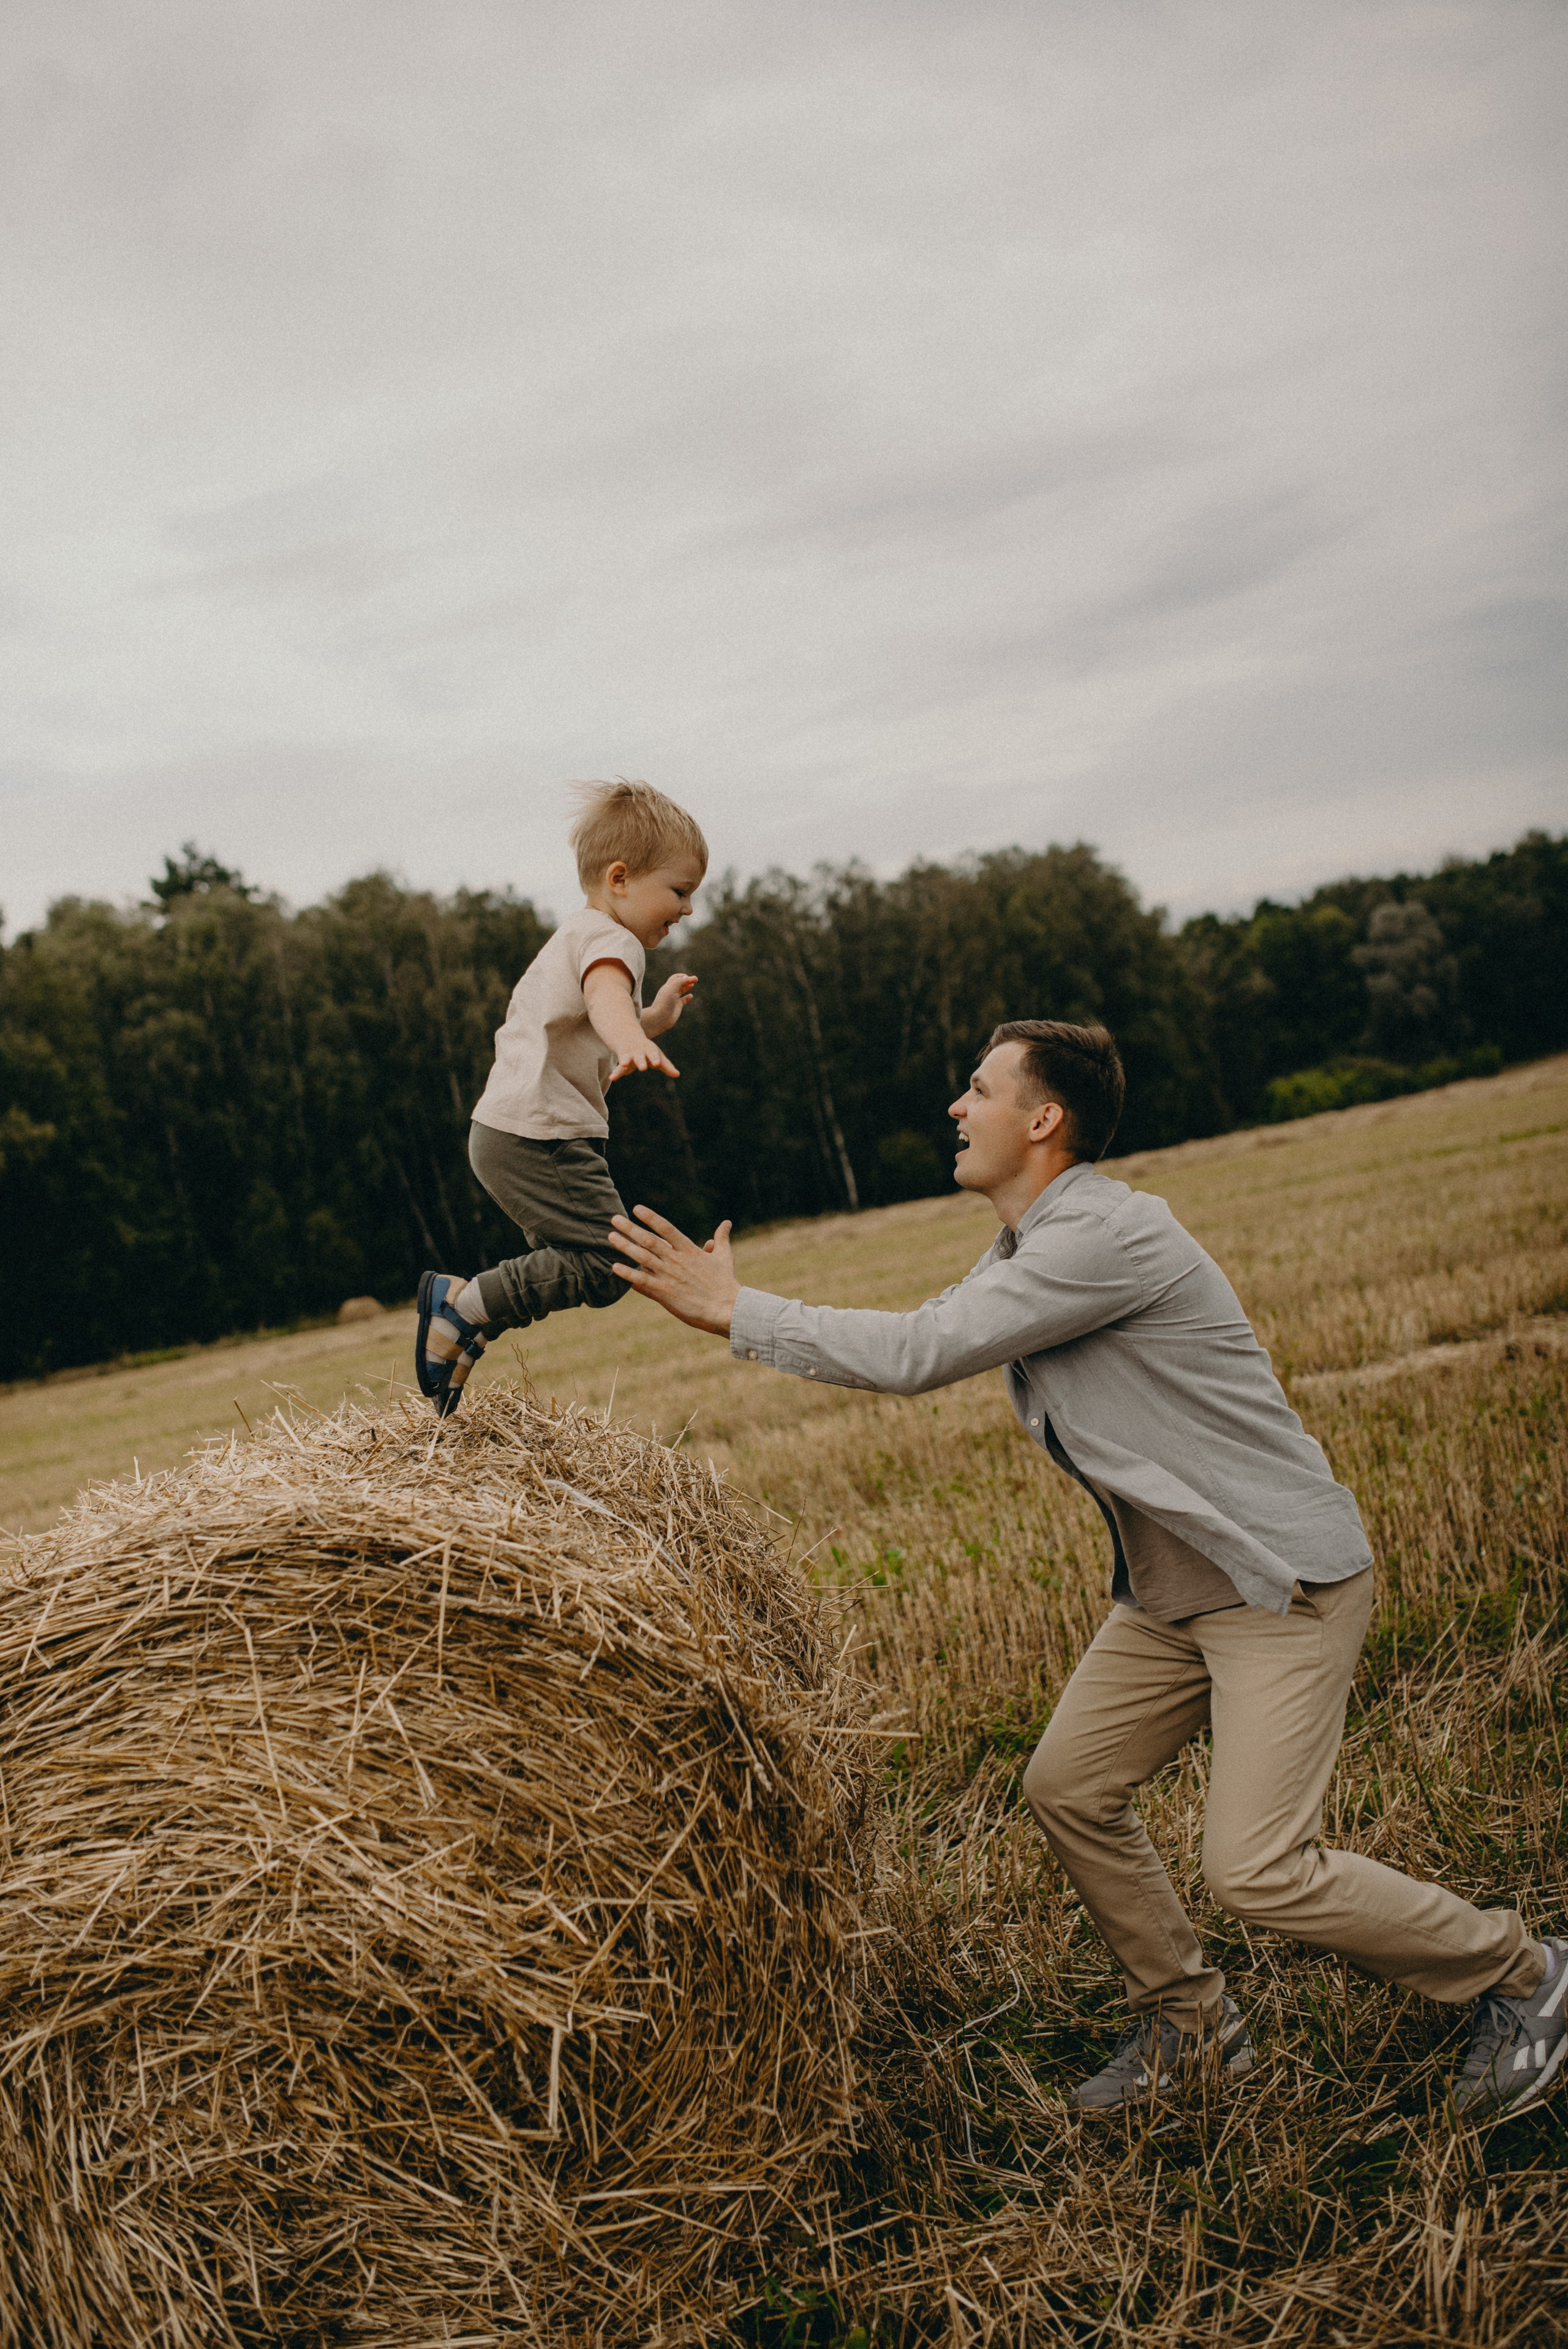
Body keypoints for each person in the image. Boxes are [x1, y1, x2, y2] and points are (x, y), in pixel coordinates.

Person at [607, 1018, 1565, 2121]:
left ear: (1044, 1119)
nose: (957, 1109)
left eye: (978, 1089)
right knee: (1067, 1786)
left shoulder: (1106, 1237)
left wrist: (735, 1309)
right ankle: (1192, 2025)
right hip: (1173, 1596)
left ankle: (1527, 1975)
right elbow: (937, 1324)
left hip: (1275, 1586)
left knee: (1257, 1870)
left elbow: (920, 1354)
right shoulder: (1031, 1242)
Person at [414, 779, 707, 1417]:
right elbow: (605, 1006)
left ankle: (468, 1329)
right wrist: (633, 1035)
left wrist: (649, 1019)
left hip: (509, 1132)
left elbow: (597, 1014)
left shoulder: (580, 935)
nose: (687, 909)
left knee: (586, 1259)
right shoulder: (614, 941)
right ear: (621, 878)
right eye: (680, 891)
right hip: (541, 1136)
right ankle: (462, 1306)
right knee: (605, 1264)